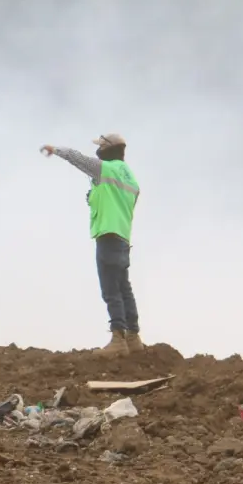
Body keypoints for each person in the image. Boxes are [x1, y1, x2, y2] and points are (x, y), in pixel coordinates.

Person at [40, 133, 143, 356]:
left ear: (107, 150)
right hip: (124, 238)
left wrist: (55, 149)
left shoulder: (105, 169)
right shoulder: (131, 179)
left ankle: (118, 339)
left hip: (107, 235)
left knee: (111, 289)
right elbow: (116, 201)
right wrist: (94, 197)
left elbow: (76, 158)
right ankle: (134, 338)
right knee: (124, 288)